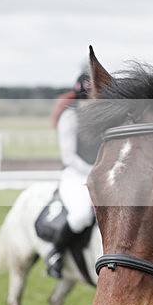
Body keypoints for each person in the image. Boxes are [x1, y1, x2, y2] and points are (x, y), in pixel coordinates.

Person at [44, 72, 99, 279]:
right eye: (87, 99)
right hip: (76, 175)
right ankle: (55, 252)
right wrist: (94, 171)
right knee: (82, 215)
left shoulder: (105, 116)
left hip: (99, 174)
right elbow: (69, 157)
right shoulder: (69, 116)